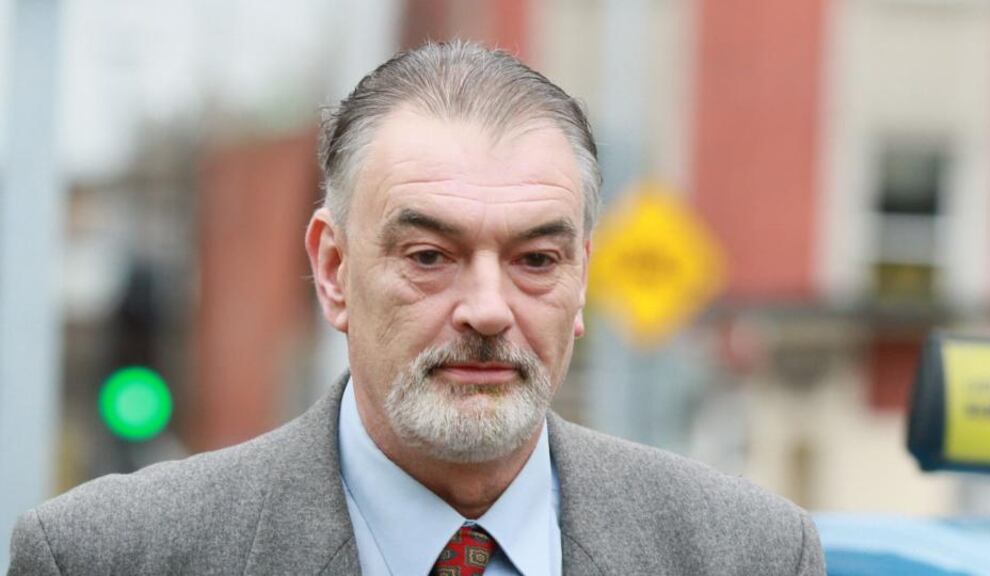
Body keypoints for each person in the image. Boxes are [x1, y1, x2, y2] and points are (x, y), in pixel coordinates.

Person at [8, 41, 825, 575]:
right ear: (332, 269)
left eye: (536, 259)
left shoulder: (749, 555)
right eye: (429, 256)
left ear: (583, 279)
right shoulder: (106, 558)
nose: (487, 309)